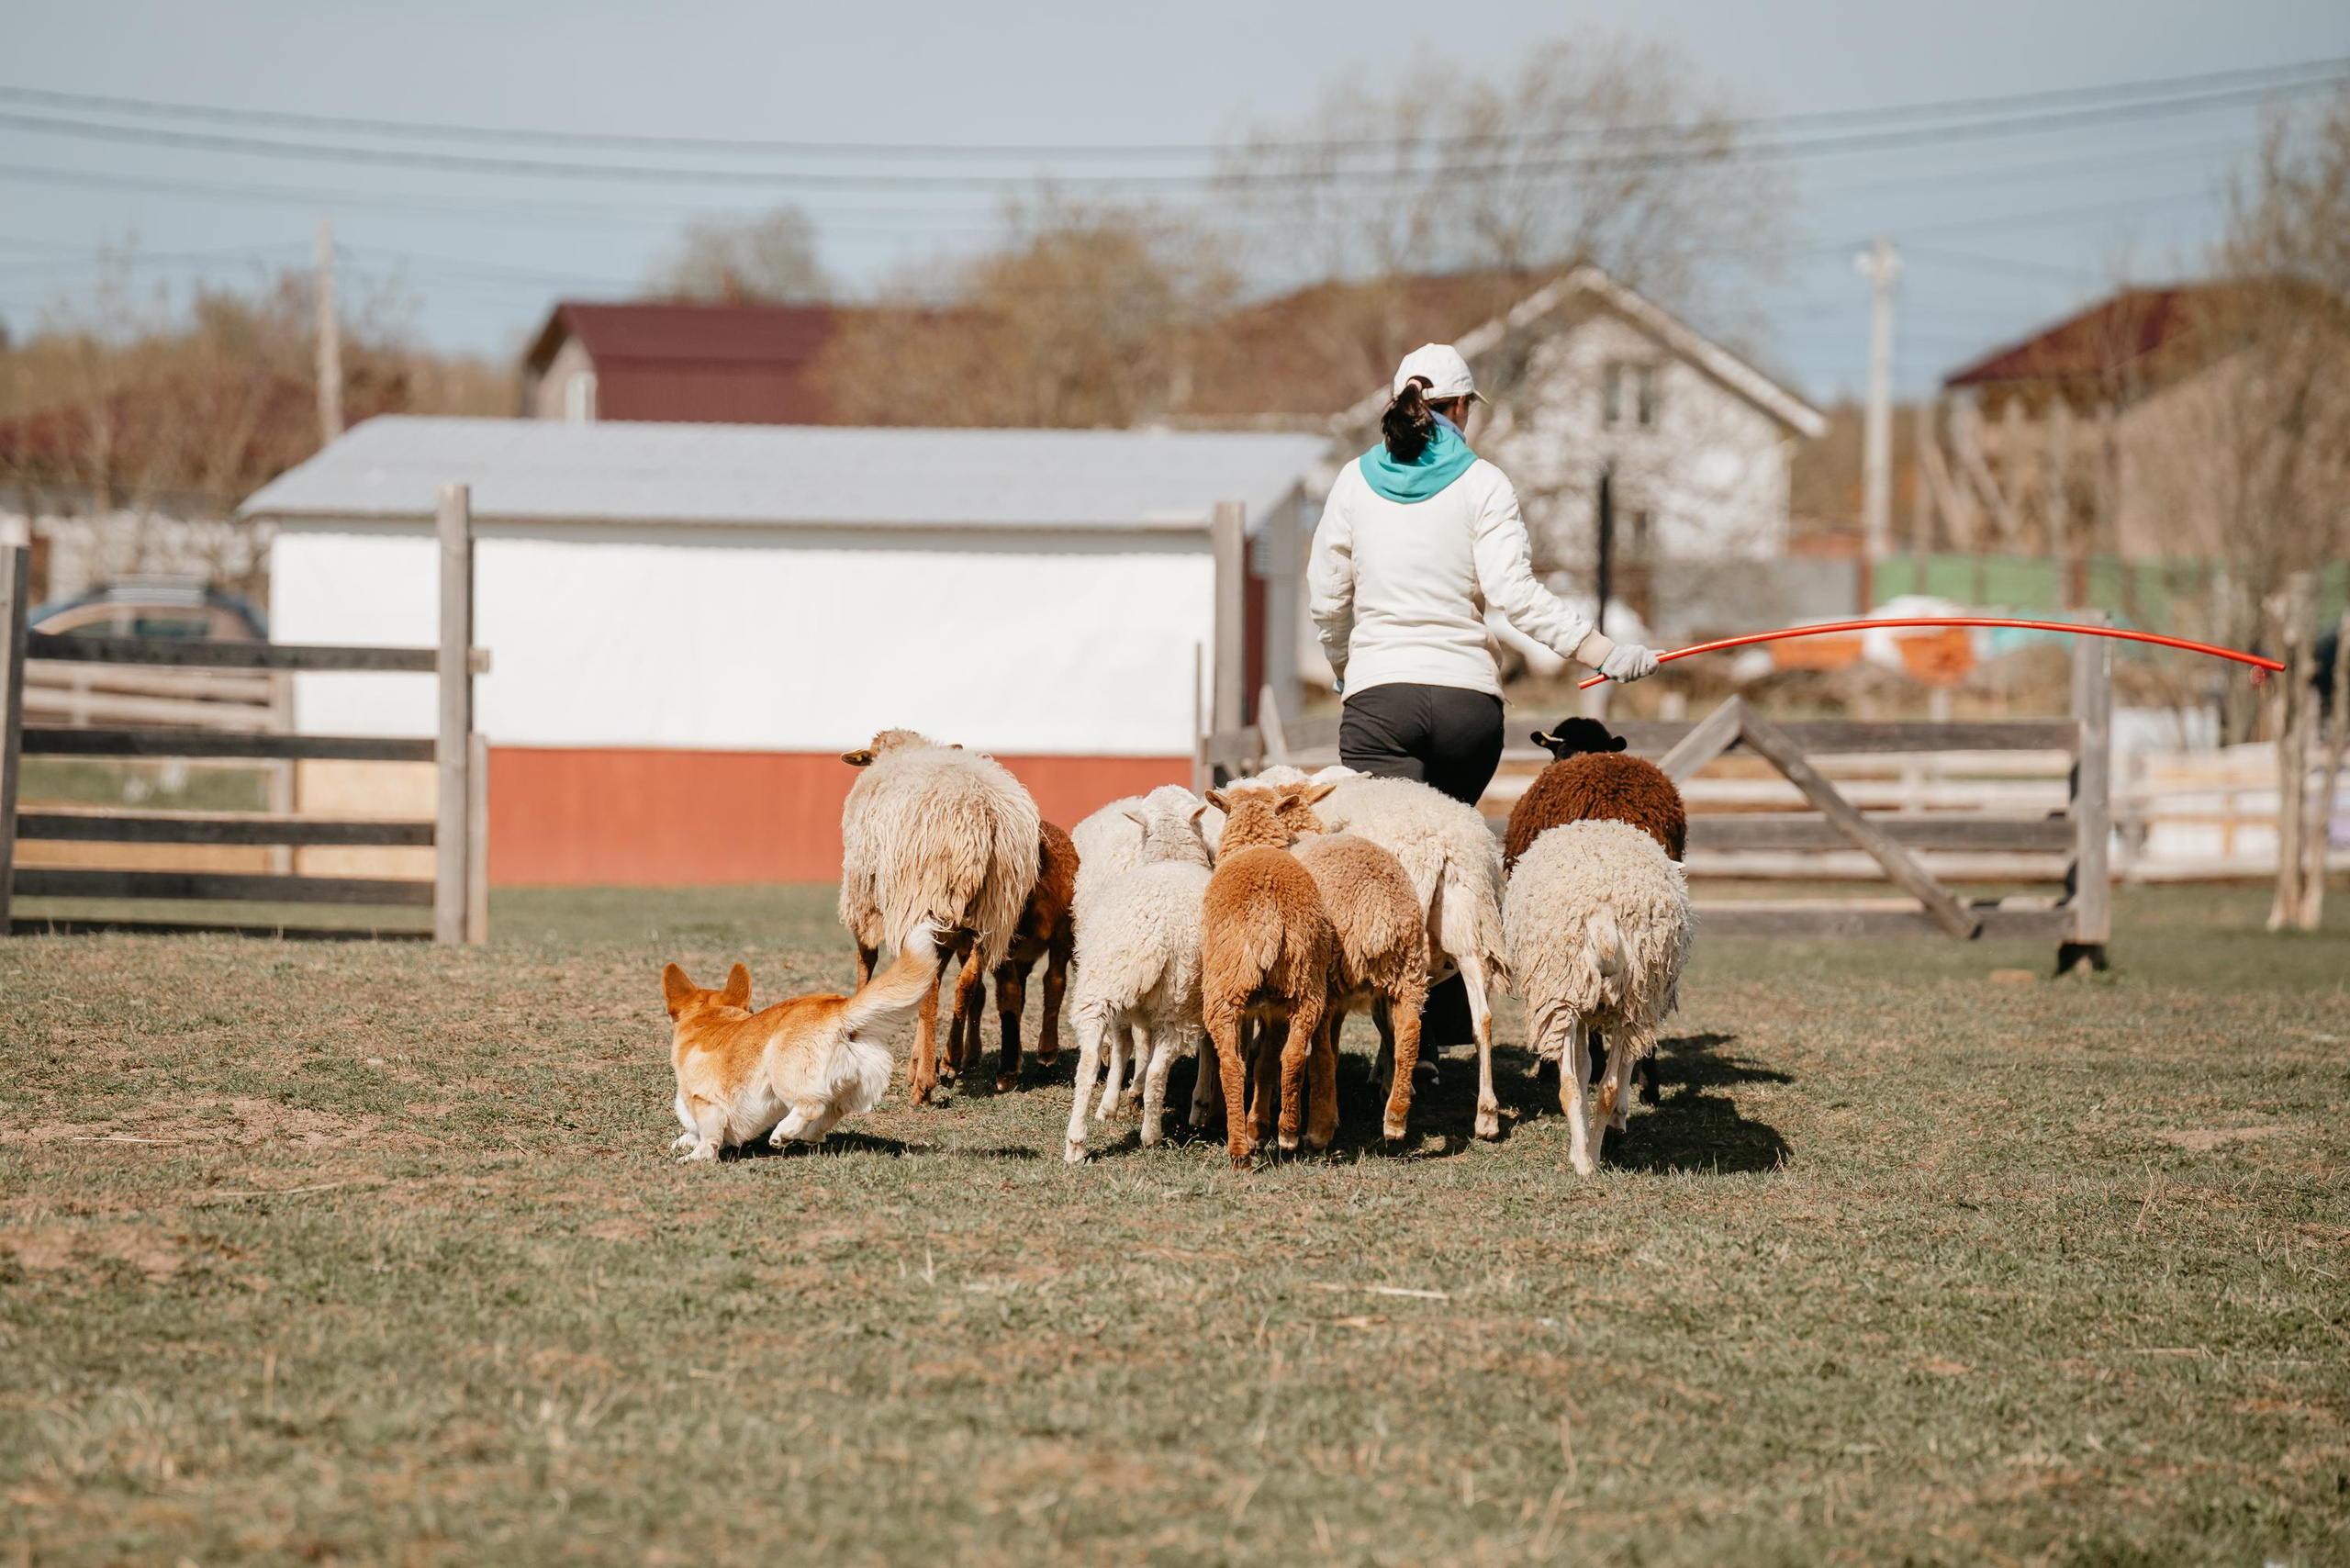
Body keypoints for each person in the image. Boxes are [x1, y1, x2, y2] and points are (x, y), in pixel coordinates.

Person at [1306, 342, 1658, 1063]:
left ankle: (1409, 1046)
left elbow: (1327, 597)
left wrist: (1347, 669)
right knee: (1447, 866)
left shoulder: (1351, 482)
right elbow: (1515, 597)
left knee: (1391, 874)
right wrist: (1602, 651)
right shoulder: (1484, 483)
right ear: (1462, 408)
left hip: (1379, 704)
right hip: (1467, 709)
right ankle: (1439, 1028)